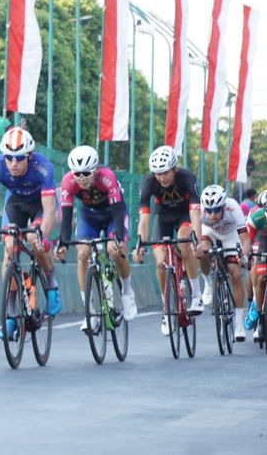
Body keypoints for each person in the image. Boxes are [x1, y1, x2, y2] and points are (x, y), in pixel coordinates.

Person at [0, 127, 62, 340]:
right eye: (9, 158)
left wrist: (43, 234)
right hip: (15, 203)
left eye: (19, 158)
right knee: (9, 247)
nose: (13, 163)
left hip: (40, 205)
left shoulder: (43, 167)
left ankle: (51, 283)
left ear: (29, 156)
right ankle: (11, 315)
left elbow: (50, 209)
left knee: (34, 239)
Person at [54, 145, 137, 329]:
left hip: (112, 214)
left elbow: (117, 214)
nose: (81, 178)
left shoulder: (106, 177)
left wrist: (120, 238)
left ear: (95, 170)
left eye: (86, 173)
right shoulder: (68, 182)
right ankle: (89, 311)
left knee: (114, 250)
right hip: (88, 217)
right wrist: (63, 245)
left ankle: (126, 291)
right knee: (82, 253)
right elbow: (66, 220)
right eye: (77, 174)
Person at [132, 145, 203, 336]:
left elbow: (196, 212)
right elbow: (144, 219)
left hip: (185, 215)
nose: (161, 178)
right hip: (162, 218)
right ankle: (167, 309)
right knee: (160, 261)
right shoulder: (148, 182)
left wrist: (197, 238)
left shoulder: (187, 178)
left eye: (165, 173)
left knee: (183, 241)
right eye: (157, 173)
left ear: (174, 169)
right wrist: (140, 244)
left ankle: (196, 295)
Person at [194, 185, 250, 342]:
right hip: (209, 233)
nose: (212, 215)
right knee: (203, 252)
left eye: (216, 210)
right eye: (209, 211)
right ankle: (208, 285)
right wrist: (197, 250)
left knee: (235, 273)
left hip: (230, 236)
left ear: (224, 206)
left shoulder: (233, 207)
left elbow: (246, 241)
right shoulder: (200, 211)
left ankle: (239, 324)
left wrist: (243, 256)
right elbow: (196, 238)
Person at [245, 190, 267, 340]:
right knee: (260, 278)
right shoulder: (257, 217)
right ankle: (260, 319)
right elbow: (248, 241)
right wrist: (248, 257)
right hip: (262, 241)